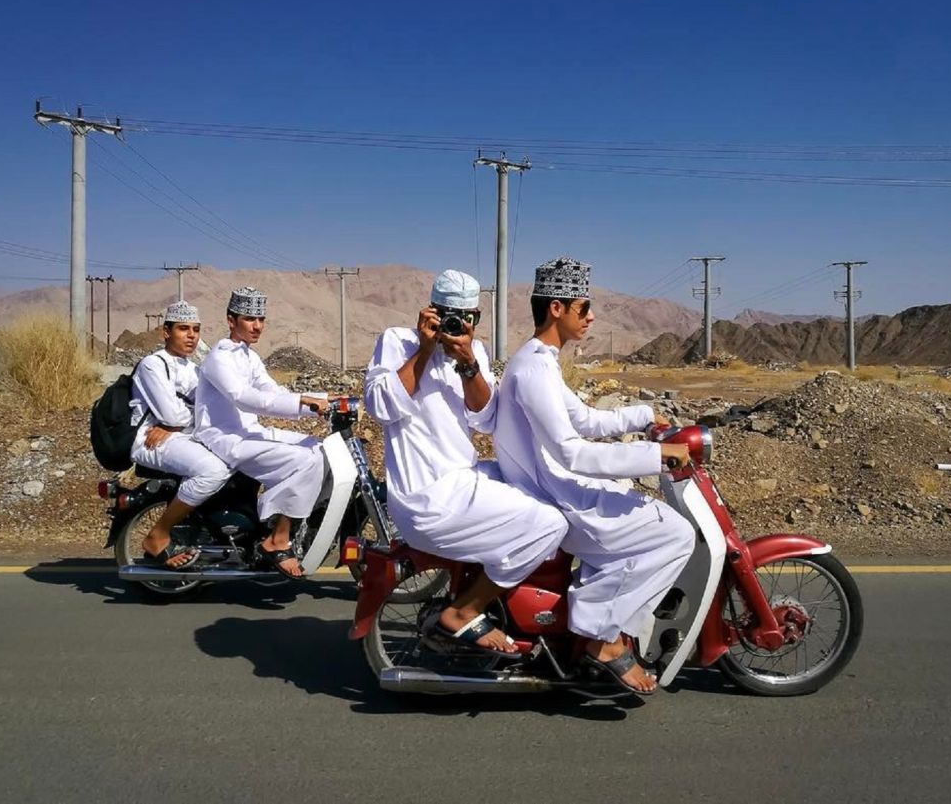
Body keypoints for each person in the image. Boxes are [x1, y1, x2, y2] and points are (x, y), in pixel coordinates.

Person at [493, 257, 696, 694]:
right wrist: (657, 456)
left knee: (639, 511)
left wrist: (643, 416)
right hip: (553, 492)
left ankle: (596, 621)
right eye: (584, 307)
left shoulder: (540, 361)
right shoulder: (533, 369)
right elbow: (572, 453)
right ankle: (601, 638)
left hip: (554, 483)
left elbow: (583, 420)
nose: (591, 316)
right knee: (676, 534)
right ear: (557, 309)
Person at [364, 270, 568, 655]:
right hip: (427, 497)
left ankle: (513, 599)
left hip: (464, 477)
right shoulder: (397, 341)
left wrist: (469, 362)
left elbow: (486, 418)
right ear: (430, 312)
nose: (456, 325)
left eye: (467, 317)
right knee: (550, 525)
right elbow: (380, 407)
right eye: (447, 315)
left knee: (546, 490)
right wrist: (424, 351)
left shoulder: (476, 353)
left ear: (476, 317)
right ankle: (464, 610)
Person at [193, 286, 328, 579]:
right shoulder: (220, 357)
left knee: (320, 449)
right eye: (249, 319)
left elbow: (272, 392)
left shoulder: (249, 357)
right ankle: (277, 539)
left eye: (261, 319)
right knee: (306, 462)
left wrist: (324, 402)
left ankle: (294, 521)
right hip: (225, 438)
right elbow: (244, 397)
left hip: (248, 431)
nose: (257, 326)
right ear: (231, 320)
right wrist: (302, 402)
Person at [130, 300, 233, 570]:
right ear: (166, 332)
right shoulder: (153, 365)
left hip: (175, 435)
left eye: (196, 329)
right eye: (183, 328)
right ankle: (158, 534)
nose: (191, 336)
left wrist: (178, 423)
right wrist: (176, 422)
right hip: (150, 439)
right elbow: (172, 415)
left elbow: (201, 412)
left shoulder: (193, 368)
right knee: (213, 471)